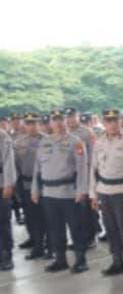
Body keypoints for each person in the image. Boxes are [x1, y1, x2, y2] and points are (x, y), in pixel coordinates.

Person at [31, 110, 89, 273]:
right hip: (48, 193)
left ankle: (80, 260)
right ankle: (60, 259)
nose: (57, 123)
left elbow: (82, 168)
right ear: (50, 123)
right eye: (54, 120)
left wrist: (82, 190)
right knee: (55, 229)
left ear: (65, 122)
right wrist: (35, 190)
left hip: (69, 193)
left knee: (76, 227)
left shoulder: (75, 141)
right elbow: (37, 168)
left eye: (60, 119)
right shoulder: (44, 142)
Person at [89, 109, 123, 277]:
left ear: (121, 121)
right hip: (104, 192)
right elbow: (93, 169)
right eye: (108, 121)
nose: (112, 124)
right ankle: (117, 261)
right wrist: (93, 194)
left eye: (115, 120)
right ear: (104, 123)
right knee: (111, 228)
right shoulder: (99, 142)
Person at [13, 112, 47, 260]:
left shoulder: (47, 141)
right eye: (28, 123)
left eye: (34, 123)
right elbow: (14, 165)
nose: (31, 126)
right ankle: (36, 242)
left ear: (39, 124)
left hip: (43, 184)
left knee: (46, 217)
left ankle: (48, 245)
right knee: (31, 216)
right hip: (25, 184)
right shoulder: (19, 142)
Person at [65, 107, 97, 249]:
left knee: (87, 210)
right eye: (68, 117)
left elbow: (93, 154)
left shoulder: (87, 132)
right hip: (71, 178)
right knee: (75, 211)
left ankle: (90, 238)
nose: (70, 119)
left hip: (86, 174)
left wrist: (92, 176)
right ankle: (79, 238)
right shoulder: (65, 134)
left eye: (73, 116)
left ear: (78, 116)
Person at [0, 126, 16, 270]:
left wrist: (8, 184)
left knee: (3, 223)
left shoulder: (3, 137)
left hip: (1, 186)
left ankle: (6, 255)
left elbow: (8, 163)